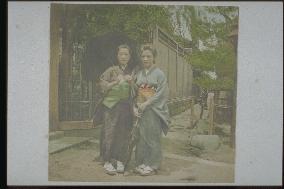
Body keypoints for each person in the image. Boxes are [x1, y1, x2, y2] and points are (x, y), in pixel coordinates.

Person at [97, 44, 135, 175]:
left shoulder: (132, 71)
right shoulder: (111, 70)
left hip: (125, 105)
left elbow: (136, 90)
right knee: (109, 132)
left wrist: (131, 82)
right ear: (117, 56)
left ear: (129, 57)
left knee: (124, 133)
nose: (123, 56)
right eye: (121, 54)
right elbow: (102, 85)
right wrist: (114, 82)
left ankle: (120, 160)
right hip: (111, 105)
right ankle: (107, 161)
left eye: (126, 54)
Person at [132, 45, 170, 176]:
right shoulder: (139, 73)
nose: (145, 59)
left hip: (154, 109)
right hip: (141, 109)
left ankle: (153, 165)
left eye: (148, 56)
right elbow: (135, 91)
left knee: (153, 137)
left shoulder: (159, 74)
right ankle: (141, 163)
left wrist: (147, 102)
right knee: (142, 137)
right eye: (143, 56)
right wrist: (135, 106)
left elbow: (161, 93)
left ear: (154, 58)